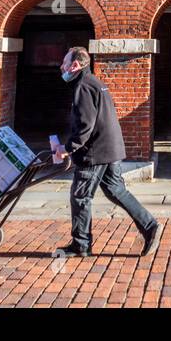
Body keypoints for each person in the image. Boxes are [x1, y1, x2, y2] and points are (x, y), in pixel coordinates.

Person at [54, 46, 161, 259]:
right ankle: (150, 226)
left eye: (65, 63)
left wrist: (66, 148)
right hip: (110, 147)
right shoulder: (96, 83)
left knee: (80, 196)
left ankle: (81, 244)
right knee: (116, 191)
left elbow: (85, 125)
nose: (62, 67)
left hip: (95, 152)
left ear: (75, 65)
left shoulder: (82, 86)